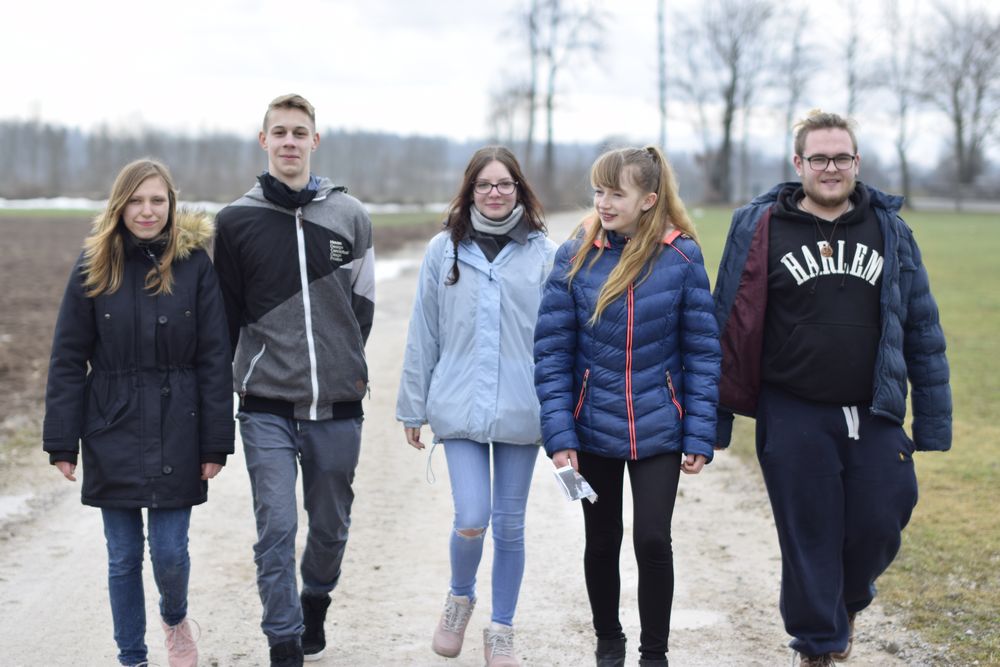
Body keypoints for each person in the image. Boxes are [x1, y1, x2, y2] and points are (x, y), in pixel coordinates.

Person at [712, 110, 952, 666]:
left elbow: (922, 326)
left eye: (841, 157)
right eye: (818, 158)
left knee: (884, 514)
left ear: (857, 162)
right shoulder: (759, 226)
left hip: (873, 405)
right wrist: (712, 422)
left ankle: (845, 601)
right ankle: (817, 644)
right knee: (810, 530)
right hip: (792, 406)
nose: (830, 168)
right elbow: (727, 321)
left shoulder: (890, 229)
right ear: (798, 163)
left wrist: (932, 421)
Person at [42, 158, 234, 667]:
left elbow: (215, 358)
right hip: (112, 427)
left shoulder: (195, 266)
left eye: (156, 200)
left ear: (171, 205)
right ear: (119, 206)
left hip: (179, 428)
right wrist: (62, 441)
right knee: (123, 556)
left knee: (170, 552)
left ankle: (175, 618)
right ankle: (132, 656)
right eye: (136, 201)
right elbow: (67, 357)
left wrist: (216, 441)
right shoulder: (93, 265)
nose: (146, 211)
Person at [534, 146, 721, 667]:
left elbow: (703, 353)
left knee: (653, 539)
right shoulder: (575, 255)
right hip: (591, 427)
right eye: (599, 191)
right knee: (602, 539)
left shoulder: (682, 257)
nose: (604, 202)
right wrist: (560, 437)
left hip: (660, 428)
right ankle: (608, 642)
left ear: (648, 200)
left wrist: (699, 433)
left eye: (617, 193)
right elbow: (552, 353)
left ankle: (654, 655)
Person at [213, 94, 374, 667]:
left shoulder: (350, 215)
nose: (289, 141)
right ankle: (283, 640)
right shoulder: (235, 222)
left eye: (298, 132)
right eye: (279, 132)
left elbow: (362, 310)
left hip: (337, 404)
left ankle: (315, 601)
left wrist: (340, 364)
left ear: (314, 141)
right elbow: (225, 319)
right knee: (276, 528)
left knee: (329, 529)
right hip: (266, 405)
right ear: (264, 141)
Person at [396, 146, 556, 667]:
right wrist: (412, 406)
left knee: (509, 525)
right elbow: (424, 332)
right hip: (457, 405)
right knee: (471, 515)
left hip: (521, 408)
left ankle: (502, 629)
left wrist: (560, 416)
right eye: (484, 185)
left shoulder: (544, 254)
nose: (494, 193)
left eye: (504, 184)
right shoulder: (443, 250)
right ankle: (459, 598)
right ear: (469, 191)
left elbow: (557, 341)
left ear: (519, 189)